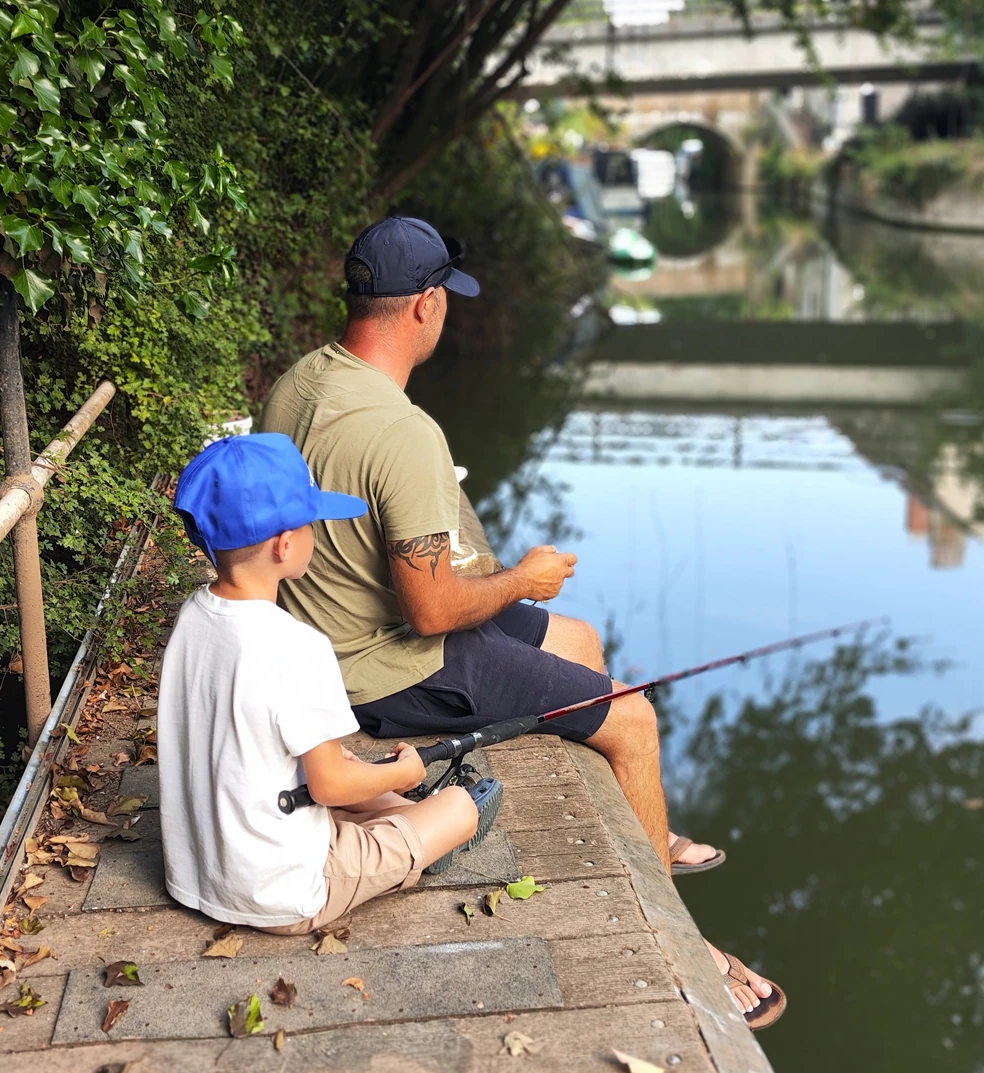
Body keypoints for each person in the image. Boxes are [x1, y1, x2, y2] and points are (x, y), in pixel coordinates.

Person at [259, 216, 781, 1028]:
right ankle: (685, 944)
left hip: (334, 634)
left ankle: (650, 832)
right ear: (427, 306)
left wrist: (504, 588)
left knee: (579, 640)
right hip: (386, 673)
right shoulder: (403, 431)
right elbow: (431, 609)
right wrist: (520, 579)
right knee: (633, 720)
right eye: (447, 302)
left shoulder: (299, 382)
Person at [157, 433, 503, 936]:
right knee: (456, 809)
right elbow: (329, 786)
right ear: (285, 544)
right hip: (283, 894)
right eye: (312, 522)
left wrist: (374, 778)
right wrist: (403, 774)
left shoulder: (193, 616)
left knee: (365, 778)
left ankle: (404, 822)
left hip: (195, 871)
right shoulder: (297, 645)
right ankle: (418, 843)